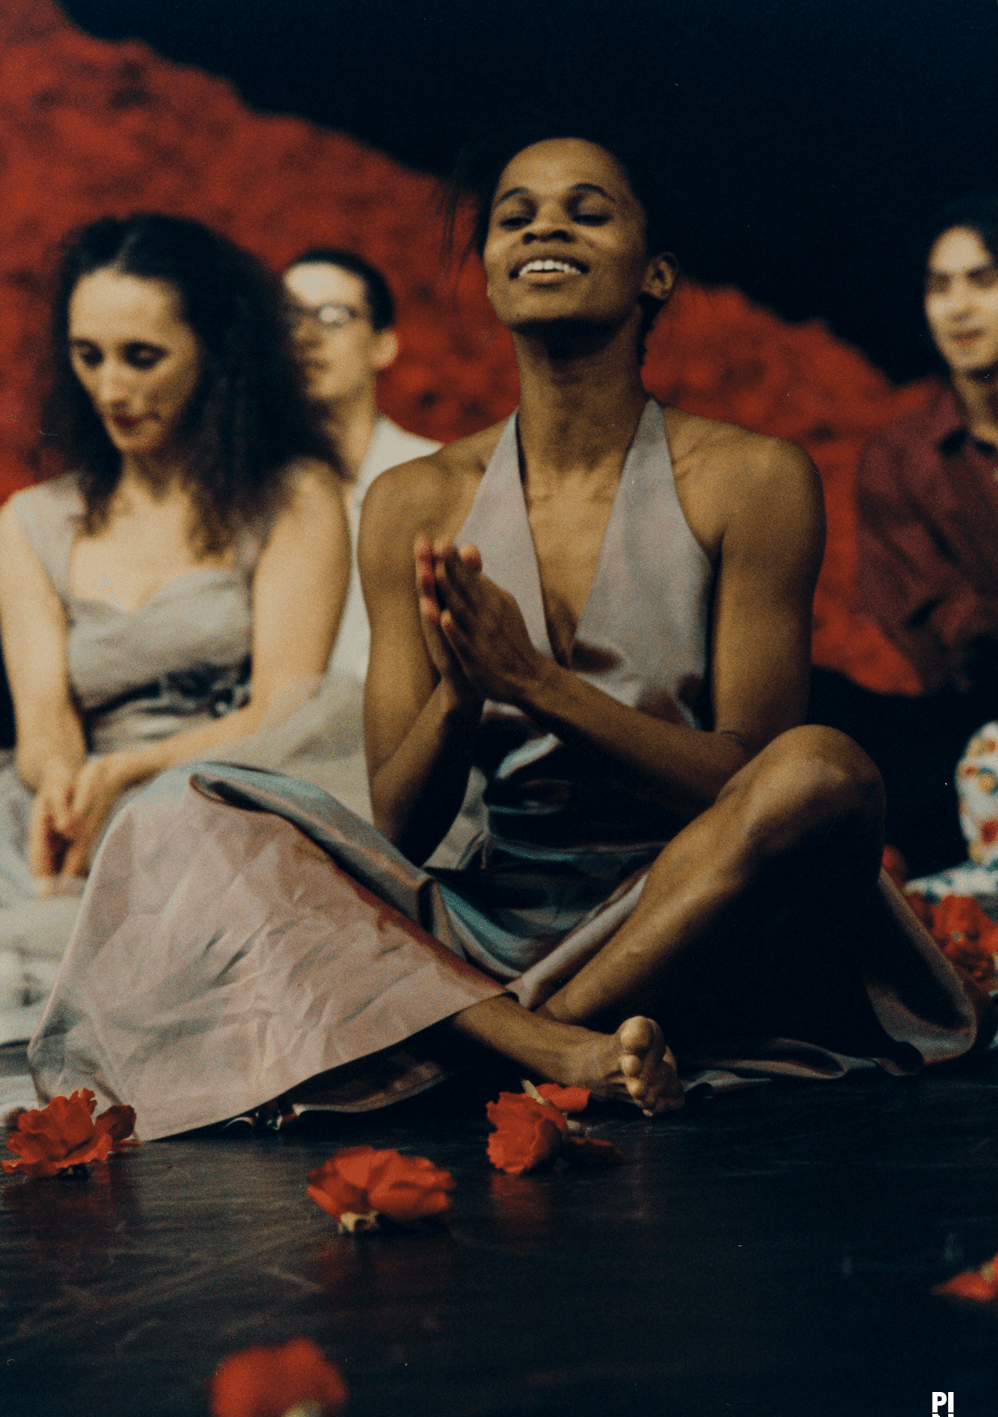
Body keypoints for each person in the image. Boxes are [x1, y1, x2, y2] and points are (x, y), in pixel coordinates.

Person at [29, 134, 992, 1139]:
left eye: (587, 210)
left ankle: (494, 1043)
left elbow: (748, 783)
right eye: (513, 213)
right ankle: (552, 1053)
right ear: (490, 275)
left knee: (824, 771)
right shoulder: (414, 501)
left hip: (691, 915)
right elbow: (399, 826)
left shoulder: (750, 479)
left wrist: (537, 685)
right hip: (487, 925)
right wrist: (460, 691)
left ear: (654, 270)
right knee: (186, 812)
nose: (543, 226)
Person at [0, 213, 349, 1043]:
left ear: (215, 352)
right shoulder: (32, 520)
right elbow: (45, 718)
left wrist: (133, 770)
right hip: (82, 799)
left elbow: (284, 707)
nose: (112, 388)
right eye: (89, 357)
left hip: (232, 793)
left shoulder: (293, 496)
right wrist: (64, 784)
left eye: (141, 357)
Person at [810, 197, 998, 876]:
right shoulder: (903, 457)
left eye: (982, 280)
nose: (959, 307)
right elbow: (947, 639)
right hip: (969, 713)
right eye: (939, 286)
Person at [283, 250, 439, 682]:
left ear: (383, 345)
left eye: (334, 315)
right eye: (289, 315)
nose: (306, 335)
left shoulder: (436, 474)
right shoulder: (247, 485)